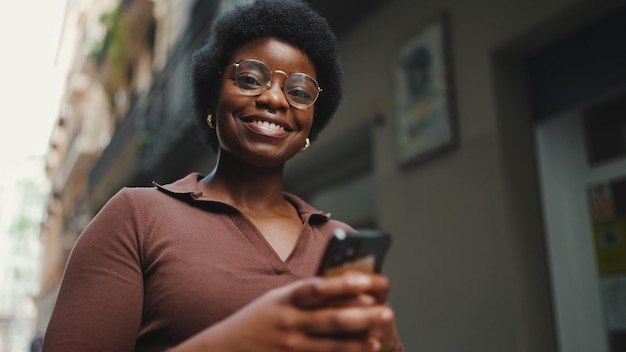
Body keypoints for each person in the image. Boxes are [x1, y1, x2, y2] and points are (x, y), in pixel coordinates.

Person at [42, 0, 404, 351]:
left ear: (311, 122)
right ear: (213, 98)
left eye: (298, 92)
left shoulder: (339, 238)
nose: (275, 100)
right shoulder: (135, 217)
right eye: (249, 79)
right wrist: (238, 340)